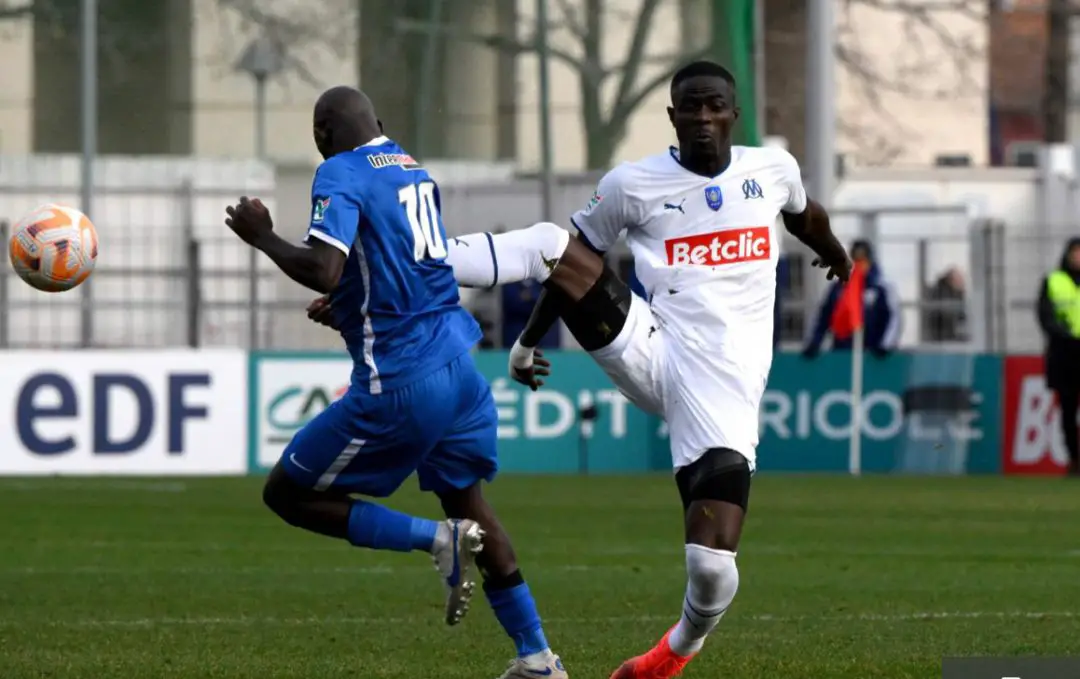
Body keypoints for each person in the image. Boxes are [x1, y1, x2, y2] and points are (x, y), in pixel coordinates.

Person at [308, 61, 849, 679]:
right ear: (672, 115)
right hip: (650, 343)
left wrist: (835, 256)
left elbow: (807, 217)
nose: (703, 118)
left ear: (733, 113)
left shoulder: (772, 171)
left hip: (721, 381)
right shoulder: (631, 184)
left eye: (714, 106)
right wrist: (526, 342)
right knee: (548, 243)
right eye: (690, 107)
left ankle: (676, 649)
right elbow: (576, 262)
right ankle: (419, 267)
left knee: (711, 566)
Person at [224, 86, 567, 679]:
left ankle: (435, 540)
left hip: (404, 380)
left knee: (287, 493)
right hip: (460, 367)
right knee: (472, 505)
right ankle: (536, 656)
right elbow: (407, 265)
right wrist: (350, 301)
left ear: (322, 134)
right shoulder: (411, 167)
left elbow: (322, 265)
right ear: (378, 123)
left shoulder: (339, 172)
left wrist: (262, 236)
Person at [802, 239, 900, 358]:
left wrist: (884, 345)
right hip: (841, 354)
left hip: (873, 356)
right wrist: (814, 343)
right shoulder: (838, 288)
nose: (859, 265)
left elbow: (893, 318)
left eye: (863, 261)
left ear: (870, 261)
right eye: (855, 260)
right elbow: (823, 317)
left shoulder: (881, 287)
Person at [1037, 237, 1080, 476]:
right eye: (1076, 252)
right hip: (1064, 354)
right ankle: (1074, 459)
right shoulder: (1053, 281)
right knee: (1067, 409)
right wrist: (1065, 335)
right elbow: (1045, 316)